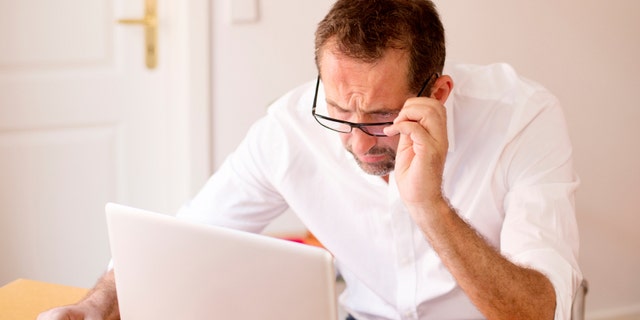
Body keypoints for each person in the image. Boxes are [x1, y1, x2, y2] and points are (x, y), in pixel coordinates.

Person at [38, 0, 582, 319]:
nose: (352, 141)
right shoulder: (293, 124)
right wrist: (95, 305)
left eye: (376, 119)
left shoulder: (522, 118)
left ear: (437, 93)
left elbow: (540, 311)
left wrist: (429, 206)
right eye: (338, 110)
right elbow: (181, 236)